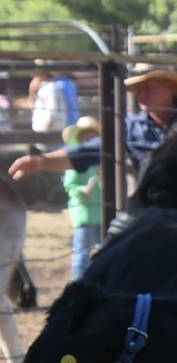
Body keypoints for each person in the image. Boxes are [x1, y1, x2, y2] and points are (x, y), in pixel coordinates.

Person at [8, 64, 177, 181]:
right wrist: (41, 162)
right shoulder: (131, 127)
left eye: (148, 87)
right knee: (114, 242)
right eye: (139, 89)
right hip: (154, 205)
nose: (141, 94)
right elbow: (88, 152)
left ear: (170, 87)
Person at [61, 116, 102, 279]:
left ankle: (98, 278)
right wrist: (82, 190)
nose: (91, 141)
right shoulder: (77, 163)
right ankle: (78, 280)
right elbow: (69, 186)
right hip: (84, 213)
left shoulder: (102, 161)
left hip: (101, 212)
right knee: (82, 251)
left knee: (102, 249)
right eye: (87, 138)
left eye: (94, 137)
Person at [28, 65, 80, 134]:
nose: (33, 79)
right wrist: (32, 92)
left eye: (36, 75)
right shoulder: (47, 87)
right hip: (57, 131)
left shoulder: (51, 88)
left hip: (51, 132)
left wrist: (46, 129)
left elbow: (52, 112)